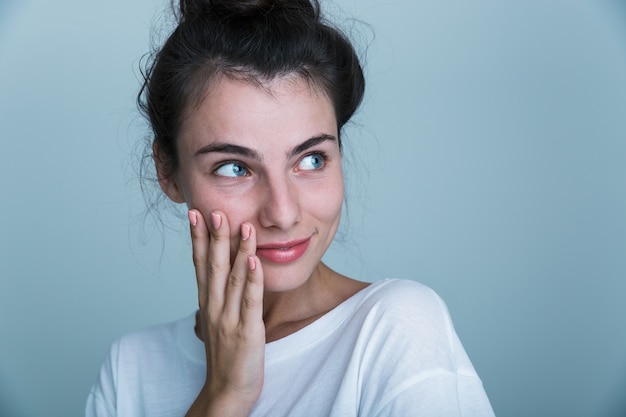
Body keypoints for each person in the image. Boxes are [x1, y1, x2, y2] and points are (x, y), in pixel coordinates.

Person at [86, 0, 495, 416]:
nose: (282, 214)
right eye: (234, 168)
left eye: (311, 159)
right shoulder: (130, 369)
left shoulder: (394, 330)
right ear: (169, 171)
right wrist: (224, 395)